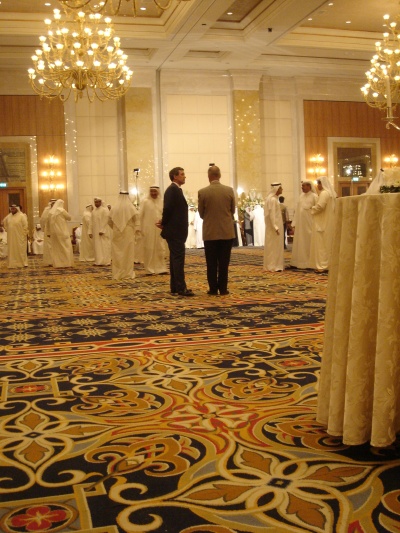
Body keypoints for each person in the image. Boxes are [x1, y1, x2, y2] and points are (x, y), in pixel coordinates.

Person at [198, 165, 236, 296]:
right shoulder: (229, 190)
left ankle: (213, 289)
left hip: (210, 233)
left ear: (209, 177)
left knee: (211, 263)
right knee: (224, 263)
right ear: (219, 176)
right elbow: (233, 211)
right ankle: (223, 289)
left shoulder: (202, 192)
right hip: (226, 232)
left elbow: (201, 213)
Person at [158, 166, 194, 297]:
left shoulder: (176, 190)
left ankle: (175, 287)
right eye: (182, 174)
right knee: (178, 260)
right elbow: (167, 209)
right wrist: (164, 223)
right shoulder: (172, 190)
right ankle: (181, 288)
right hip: (175, 231)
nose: (185, 176)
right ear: (175, 176)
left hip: (176, 231)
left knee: (175, 259)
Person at [108, 192, 140, 280]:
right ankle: (127, 273)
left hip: (117, 232)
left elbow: (109, 221)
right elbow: (137, 220)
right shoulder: (131, 207)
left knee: (117, 253)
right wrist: (135, 230)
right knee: (128, 253)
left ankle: (117, 273)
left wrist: (115, 228)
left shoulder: (114, 208)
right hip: (128, 232)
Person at [309, 176, 336, 273]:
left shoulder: (324, 193)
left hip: (322, 223)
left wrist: (312, 209)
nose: (317, 186)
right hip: (327, 222)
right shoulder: (330, 193)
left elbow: (320, 206)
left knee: (322, 245)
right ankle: (327, 264)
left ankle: (322, 265)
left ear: (322, 184)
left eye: (318, 184)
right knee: (326, 244)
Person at [139, 186, 167, 275]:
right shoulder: (145, 202)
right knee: (149, 249)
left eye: (155, 191)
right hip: (148, 229)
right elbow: (140, 216)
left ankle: (161, 268)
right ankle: (149, 269)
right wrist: (140, 229)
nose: (153, 193)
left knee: (160, 248)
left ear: (158, 192)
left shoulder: (162, 202)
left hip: (159, 229)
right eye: (151, 191)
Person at [290, 180, 318, 269]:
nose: (302, 188)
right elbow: (297, 210)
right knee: (300, 241)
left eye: (304, 186)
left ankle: (310, 263)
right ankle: (300, 262)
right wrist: (294, 223)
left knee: (309, 242)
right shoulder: (301, 196)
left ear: (309, 186)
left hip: (310, 223)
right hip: (301, 224)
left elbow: (317, 210)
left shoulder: (314, 196)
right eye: (302, 186)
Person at [263, 183, 284, 272]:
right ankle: (273, 265)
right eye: (280, 188)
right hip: (275, 226)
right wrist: (275, 227)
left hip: (275, 225)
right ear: (276, 189)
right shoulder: (272, 200)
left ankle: (275, 264)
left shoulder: (273, 199)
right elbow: (272, 214)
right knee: (274, 246)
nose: (282, 190)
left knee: (274, 245)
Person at [47, 199, 74, 268]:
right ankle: (66, 263)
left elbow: (48, 223)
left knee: (56, 248)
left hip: (54, 232)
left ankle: (58, 264)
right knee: (66, 247)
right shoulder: (62, 210)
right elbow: (69, 218)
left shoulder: (50, 212)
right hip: (63, 231)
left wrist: (49, 232)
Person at [89, 196, 111, 266]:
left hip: (102, 232)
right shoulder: (93, 211)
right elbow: (91, 222)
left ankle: (105, 261)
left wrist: (102, 230)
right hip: (95, 232)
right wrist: (90, 231)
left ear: (100, 202)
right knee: (97, 247)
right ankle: (98, 261)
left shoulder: (104, 210)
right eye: (95, 202)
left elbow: (106, 221)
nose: (96, 203)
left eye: (98, 202)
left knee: (104, 246)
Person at [40, 199, 56, 266]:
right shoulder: (46, 210)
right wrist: (43, 229)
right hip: (48, 229)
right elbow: (42, 220)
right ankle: (50, 261)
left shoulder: (59, 210)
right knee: (49, 246)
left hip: (57, 229)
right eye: (52, 203)